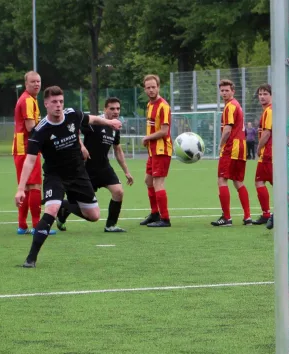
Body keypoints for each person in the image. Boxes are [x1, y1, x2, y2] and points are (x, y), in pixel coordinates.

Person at [14, 86, 122, 268]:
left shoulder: (73, 115)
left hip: (78, 174)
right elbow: (30, 161)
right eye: (54, 102)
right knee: (51, 209)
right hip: (55, 175)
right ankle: (30, 259)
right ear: (46, 104)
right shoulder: (40, 131)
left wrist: (109, 123)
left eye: (61, 102)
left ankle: (66, 206)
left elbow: (92, 119)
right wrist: (20, 188)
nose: (58, 106)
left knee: (94, 216)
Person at [57, 97, 134, 232]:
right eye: (112, 108)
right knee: (79, 204)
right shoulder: (94, 122)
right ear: (105, 109)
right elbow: (73, 131)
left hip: (104, 168)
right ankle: (63, 208)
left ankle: (110, 225)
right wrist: (82, 146)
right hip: (87, 169)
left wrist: (126, 171)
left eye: (118, 108)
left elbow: (117, 149)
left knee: (119, 192)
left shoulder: (115, 127)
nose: (116, 111)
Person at [13, 71, 53, 235]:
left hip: (23, 147)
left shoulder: (30, 99)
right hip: (27, 147)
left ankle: (22, 225)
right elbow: (31, 128)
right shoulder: (28, 100)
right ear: (26, 84)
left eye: (38, 81)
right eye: (33, 82)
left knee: (28, 187)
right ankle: (37, 226)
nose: (36, 84)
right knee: (35, 185)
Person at [211, 79, 251, 227]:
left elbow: (227, 130)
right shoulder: (237, 105)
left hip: (231, 147)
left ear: (233, 91)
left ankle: (226, 218)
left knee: (222, 180)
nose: (224, 93)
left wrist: (220, 145)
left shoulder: (230, 107)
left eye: (227, 90)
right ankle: (247, 217)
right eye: (222, 90)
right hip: (241, 146)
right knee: (238, 181)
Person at [139, 74, 172, 228]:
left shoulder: (163, 106)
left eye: (154, 87)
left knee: (158, 183)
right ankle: (154, 213)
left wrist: (147, 137)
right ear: (145, 89)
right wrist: (149, 140)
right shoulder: (149, 105)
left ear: (158, 87)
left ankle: (165, 219)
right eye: (148, 87)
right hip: (153, 150)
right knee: (148, 181)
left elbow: (164, 131)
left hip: (162, 149)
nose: (151, 90)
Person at [251, 84, 273, 227]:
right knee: (273, 182)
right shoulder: (268, 110)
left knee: (260, 182)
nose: (262, 97)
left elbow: (267, 132)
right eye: (260, 94)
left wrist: (259, 147)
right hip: (271, 153)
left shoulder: (269, 111)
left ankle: (266, 214)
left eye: (265, 93)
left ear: (271, 95)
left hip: (268, 153)